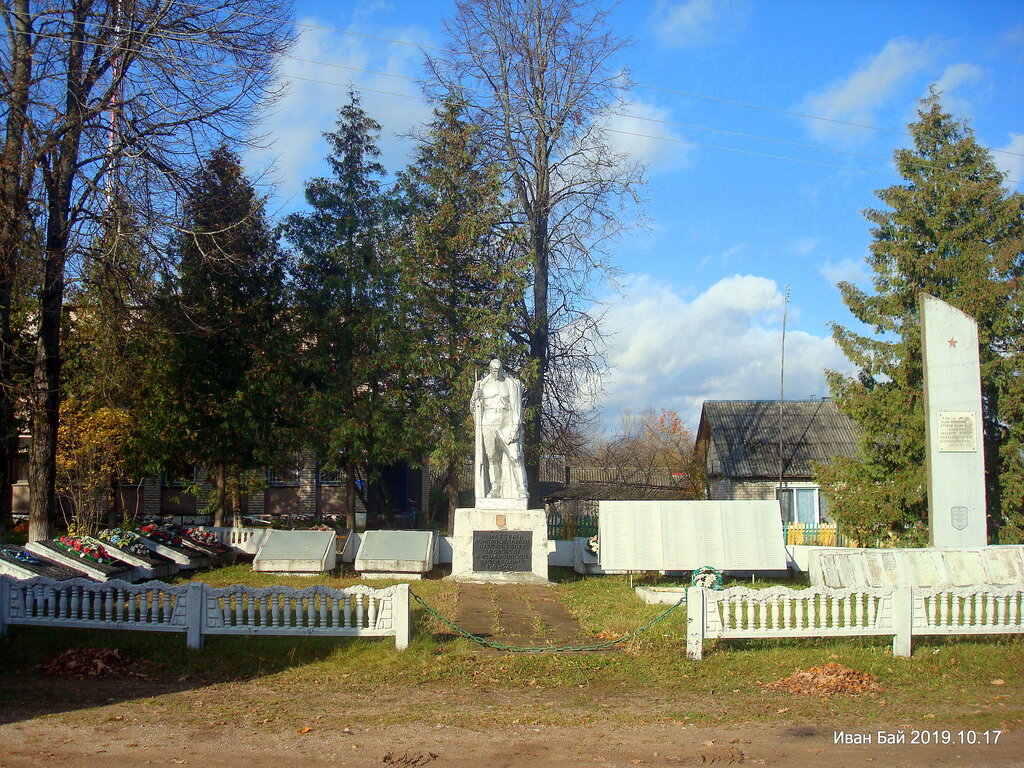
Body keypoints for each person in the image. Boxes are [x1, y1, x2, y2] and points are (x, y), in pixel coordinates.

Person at [471, 359, 527, 500]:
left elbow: (516, 408)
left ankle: (522, 489)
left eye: (499, 369)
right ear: (490, 370)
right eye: (494, 370)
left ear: (502, 369)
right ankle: (495, 487)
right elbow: (474, 408)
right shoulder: (482, 385)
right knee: (492, 457)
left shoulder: (511, 384)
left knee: (516, 456)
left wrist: (515, 428)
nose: (496, 372)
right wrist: (474, 398)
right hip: (488, 421)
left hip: (505, 420)